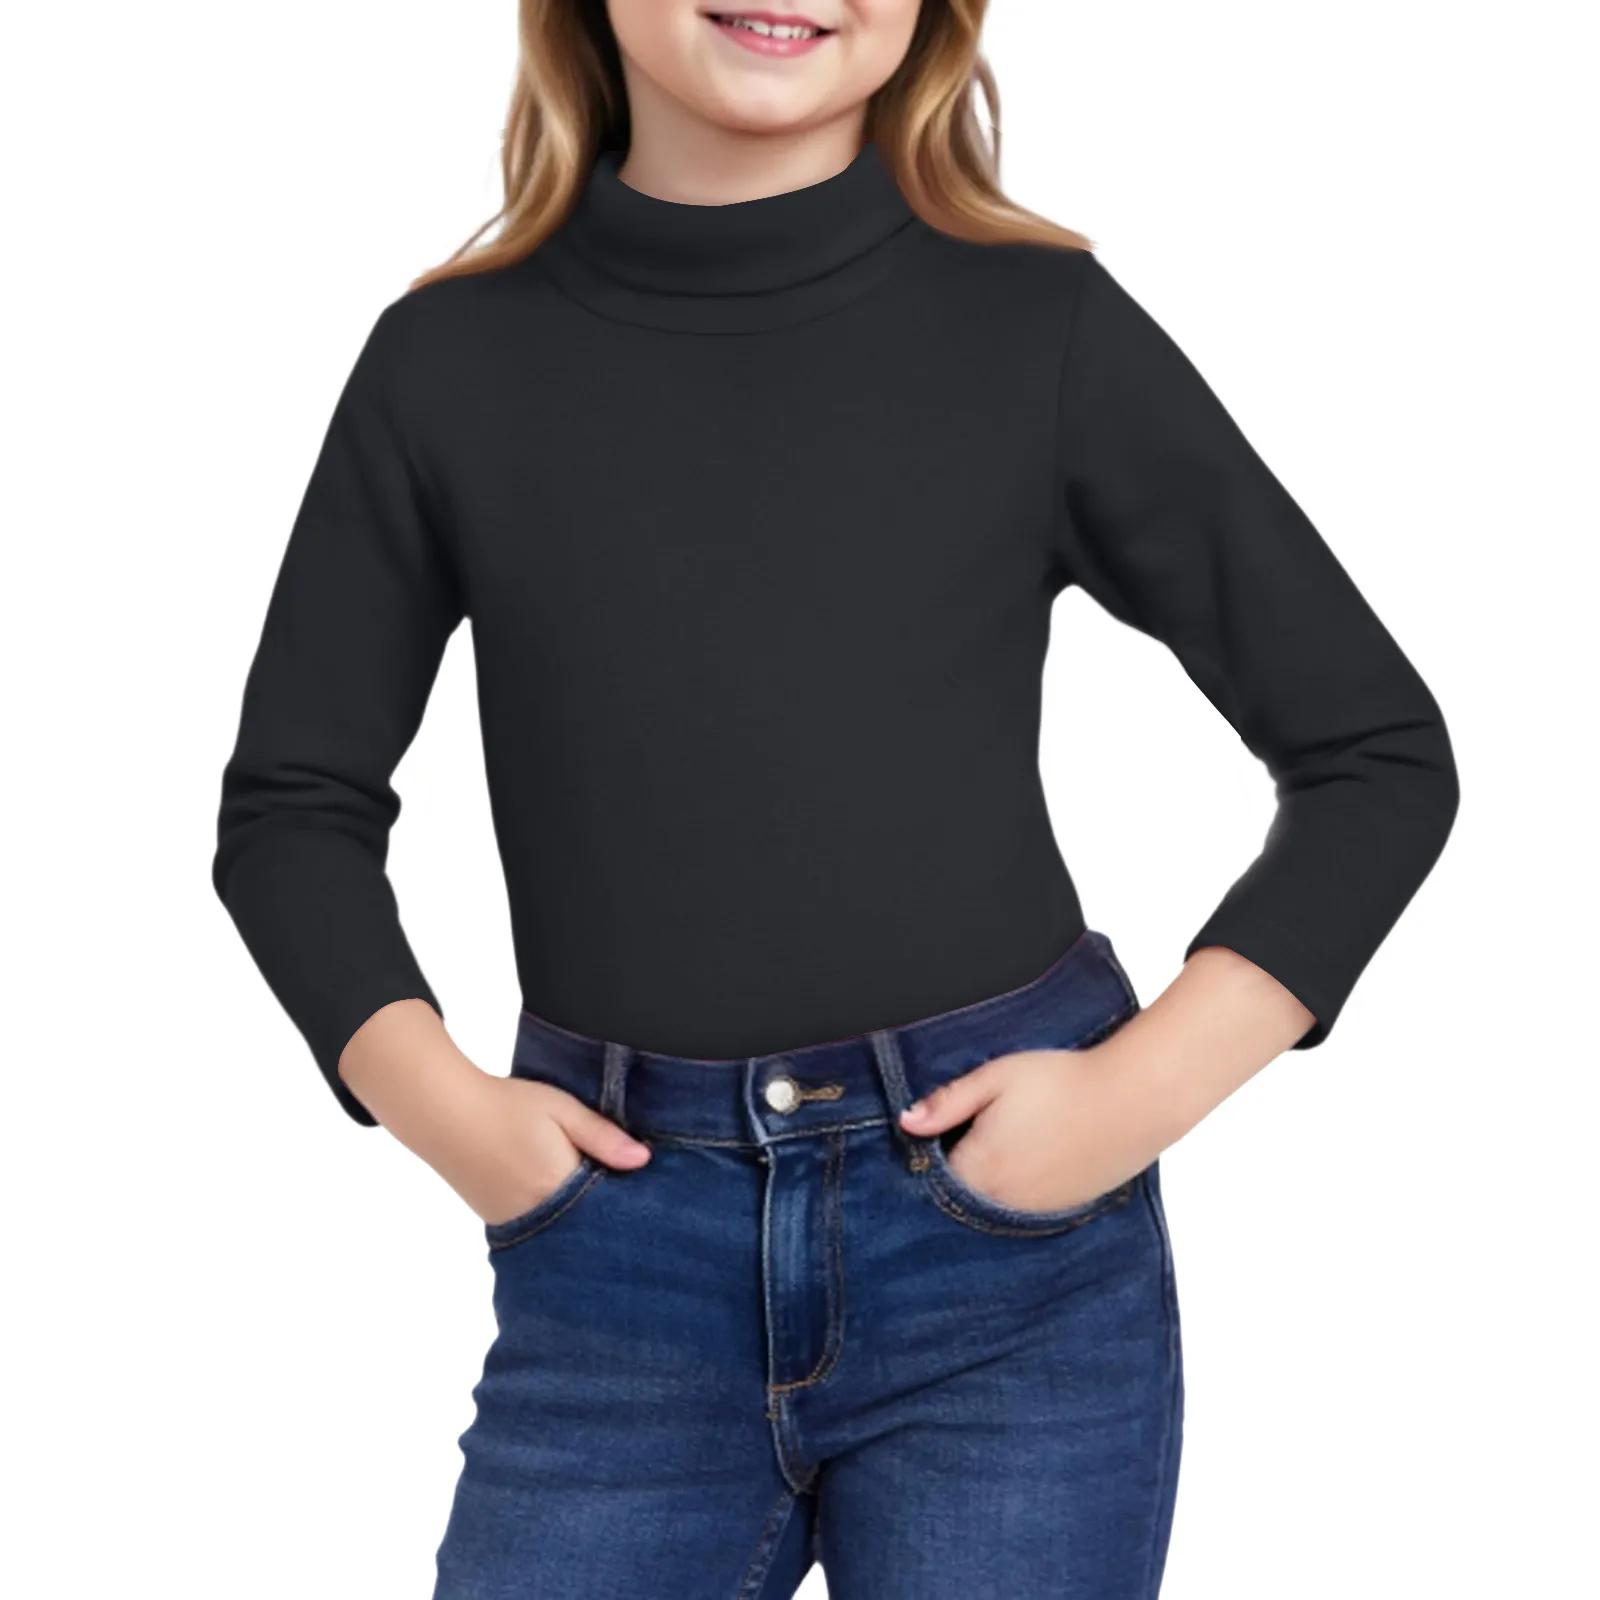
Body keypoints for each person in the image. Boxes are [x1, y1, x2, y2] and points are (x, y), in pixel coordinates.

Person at [210, 3, 1459, 1594]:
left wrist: (1122, 1107)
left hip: (1005, 1267)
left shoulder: (1039, 327)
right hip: (614, 1264)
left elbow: (1375, 754)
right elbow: (293, 808)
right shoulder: (448, 361)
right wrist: (455, 1122)